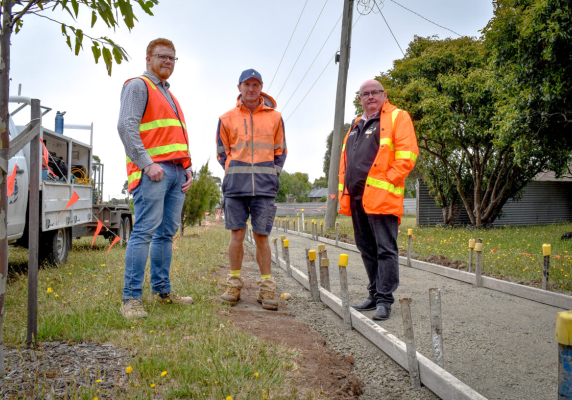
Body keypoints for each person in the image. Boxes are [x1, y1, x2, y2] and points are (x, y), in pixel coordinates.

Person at [117, 38, 194, 319]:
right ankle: (131, 300)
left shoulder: (170, 96)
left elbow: (173, 136)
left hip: (175, 172)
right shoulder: (138, 85)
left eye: (172, 58)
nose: (167, 62)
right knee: (144, 232)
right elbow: (126, 127)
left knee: (165, 234)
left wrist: (188, 166)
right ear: (148, 59)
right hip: (154, 172)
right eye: (162, 56)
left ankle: (161, 292)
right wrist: (148, 165)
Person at [337, 79, 418, 321]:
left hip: (382, 195)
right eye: (365, 94)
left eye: (375, 92)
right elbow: (345, 164)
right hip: (358, 197)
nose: (370, 96)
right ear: (359, 99)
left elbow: (408, 154)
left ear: (384, 95)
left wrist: (390, 178)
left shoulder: (397, 117)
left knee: (385, 249)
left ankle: (385, 300)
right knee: (366, 249)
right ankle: (374, 293)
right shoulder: (355, 126)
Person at [216, 69, 287, 311]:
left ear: (261, 88)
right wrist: (231, 168)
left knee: (261, 237)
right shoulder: (226, 118)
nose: (251, 88)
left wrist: (273, 175)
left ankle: (267, 289)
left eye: (256, 84)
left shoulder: (275, 118)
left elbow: (281, 151)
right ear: (239, 88)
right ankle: (233, 284)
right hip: (236, 188)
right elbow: (221, 152)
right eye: (247, 84)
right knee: (236, 235)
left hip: (265, 188)